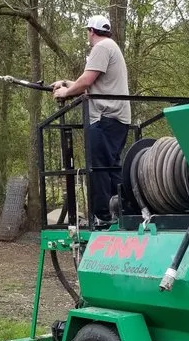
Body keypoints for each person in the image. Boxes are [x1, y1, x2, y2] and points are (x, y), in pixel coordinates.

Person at [51, 14, 131, 226]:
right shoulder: (112, 47)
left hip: (105, 118)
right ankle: (121, 212)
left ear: (91, 31)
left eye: (87, 31)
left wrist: (65, 93)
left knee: (99, 168)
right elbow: (92, 83)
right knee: (112, 167)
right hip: (118, 118)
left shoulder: (101, 47)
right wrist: (66, 83)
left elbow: (86, 81)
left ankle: (103, 216)